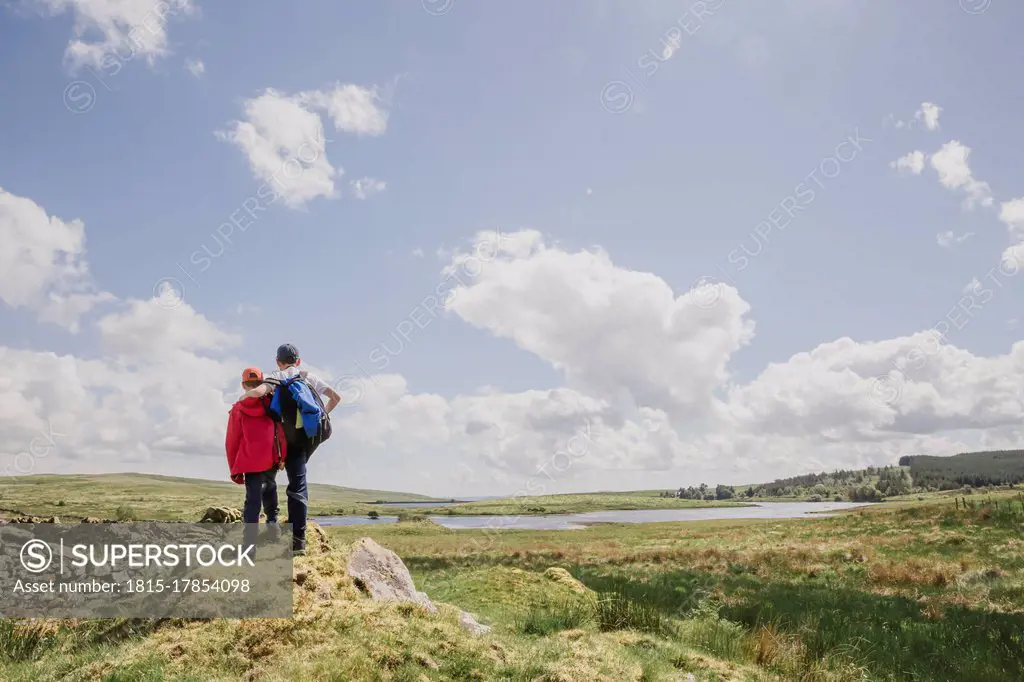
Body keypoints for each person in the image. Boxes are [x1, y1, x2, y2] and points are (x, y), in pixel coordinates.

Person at [240, 344, 340, 554]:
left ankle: (269, 527)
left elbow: (258, 392)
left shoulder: (276, 376)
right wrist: (324, 416)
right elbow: (336, 397)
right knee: (298, 487)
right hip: (304, 441)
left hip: (280, 442)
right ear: (298, 361)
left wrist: (242, 398)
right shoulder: (307, 377)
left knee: (267, 482)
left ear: (278, 361)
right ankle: (298, 542)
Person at [225, 367, 286, 528]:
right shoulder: (271, 404)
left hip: (249, 461)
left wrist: (234, 470)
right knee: (270, 488)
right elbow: (280, 432)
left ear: (243, 385)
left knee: (253, 500)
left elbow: (231, 441)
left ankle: (249, 545)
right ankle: (273, 527)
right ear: (261, 383)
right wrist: (282, 457)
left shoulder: (238, 408)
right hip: (271, 458)